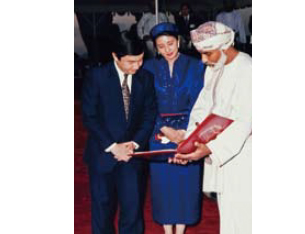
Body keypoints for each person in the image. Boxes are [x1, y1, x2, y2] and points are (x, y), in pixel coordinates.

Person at [169, 21, 252, 234]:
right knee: (229, 214)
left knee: (245, 216)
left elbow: (246, 120)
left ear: (225, 47)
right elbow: (203, 106)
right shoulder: (215, 67)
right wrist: (188, 141)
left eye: (208, 53)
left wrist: (211, 149)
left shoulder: (248, 69)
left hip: (244, 157)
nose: (204, 60)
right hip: (223, 155)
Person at [81, 31, 157, 234]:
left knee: (132, 213)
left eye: (140, 60)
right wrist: (114, 147)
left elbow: (150, 114)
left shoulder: (146, 78)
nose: (137, 66)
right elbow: (89, 116)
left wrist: (135, 144)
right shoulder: (96, 77)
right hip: (102, 155)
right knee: (102, 212)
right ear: (115, 56)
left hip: (132, 157)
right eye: (131, 62)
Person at [142, 22, 205, 234]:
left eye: (170, 43)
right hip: (158, 132)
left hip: (189, 131)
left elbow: (200, 101)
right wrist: (164, 128)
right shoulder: (148, 68)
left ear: (178, 41)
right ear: (155, 48)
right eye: (161, 46)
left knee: (185, 184)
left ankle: (182, 229)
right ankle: (168, 231)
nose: (167, 49)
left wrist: (185, 132)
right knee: (164, 186)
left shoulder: (196, 66)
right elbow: (146, 103)